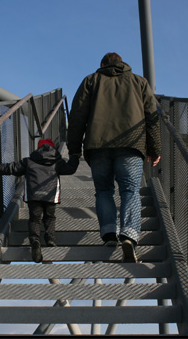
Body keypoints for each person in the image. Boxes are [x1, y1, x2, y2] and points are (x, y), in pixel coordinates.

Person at [67, 52, 161, 263]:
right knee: (129, 190)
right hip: (131, 145)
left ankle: (109, 233)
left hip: (98, 146)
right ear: (122, 63)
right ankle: (129, 235)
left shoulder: (91, 80)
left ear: (102, 64)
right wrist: (155, 148)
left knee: (103, 190)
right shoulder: (139, 82)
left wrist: (74, 149)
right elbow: (152, 116)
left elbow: (77, 115)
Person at [0, 138, 79, 263]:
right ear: (53, 148)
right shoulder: (57, 162)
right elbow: (70, 169)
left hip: (34, 196)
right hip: (51, 196)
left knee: (35, 219)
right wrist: (74, 156)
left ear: (38, 148)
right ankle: (50, 239)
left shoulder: (29, 161)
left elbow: (13, 168)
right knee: (50, 217)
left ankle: (35, 240)